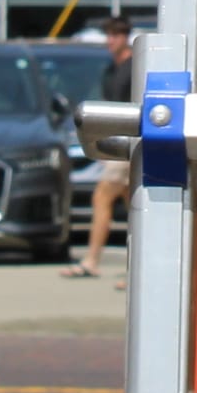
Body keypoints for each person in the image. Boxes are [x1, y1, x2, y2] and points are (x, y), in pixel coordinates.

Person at [60, 16, 134, 280]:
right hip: (116, 145)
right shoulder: (112, 70)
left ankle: (91, 260)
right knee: (134, 209)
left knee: (101, 197)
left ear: (126, 37)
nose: (111, 40)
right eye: (109, 35)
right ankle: (139, 267)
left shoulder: (134, 66)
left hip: (129, 143)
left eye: (116, 35)